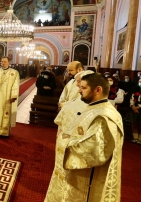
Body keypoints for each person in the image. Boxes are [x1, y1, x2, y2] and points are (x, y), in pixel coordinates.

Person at [45, 73, 124, 202]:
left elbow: (93, 150)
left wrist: (63, 140)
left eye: (83, 88)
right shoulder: (92, 107)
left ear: (98, 90)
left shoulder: (104, 116)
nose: (79, 91)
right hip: (77, 174)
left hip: (87, 179)